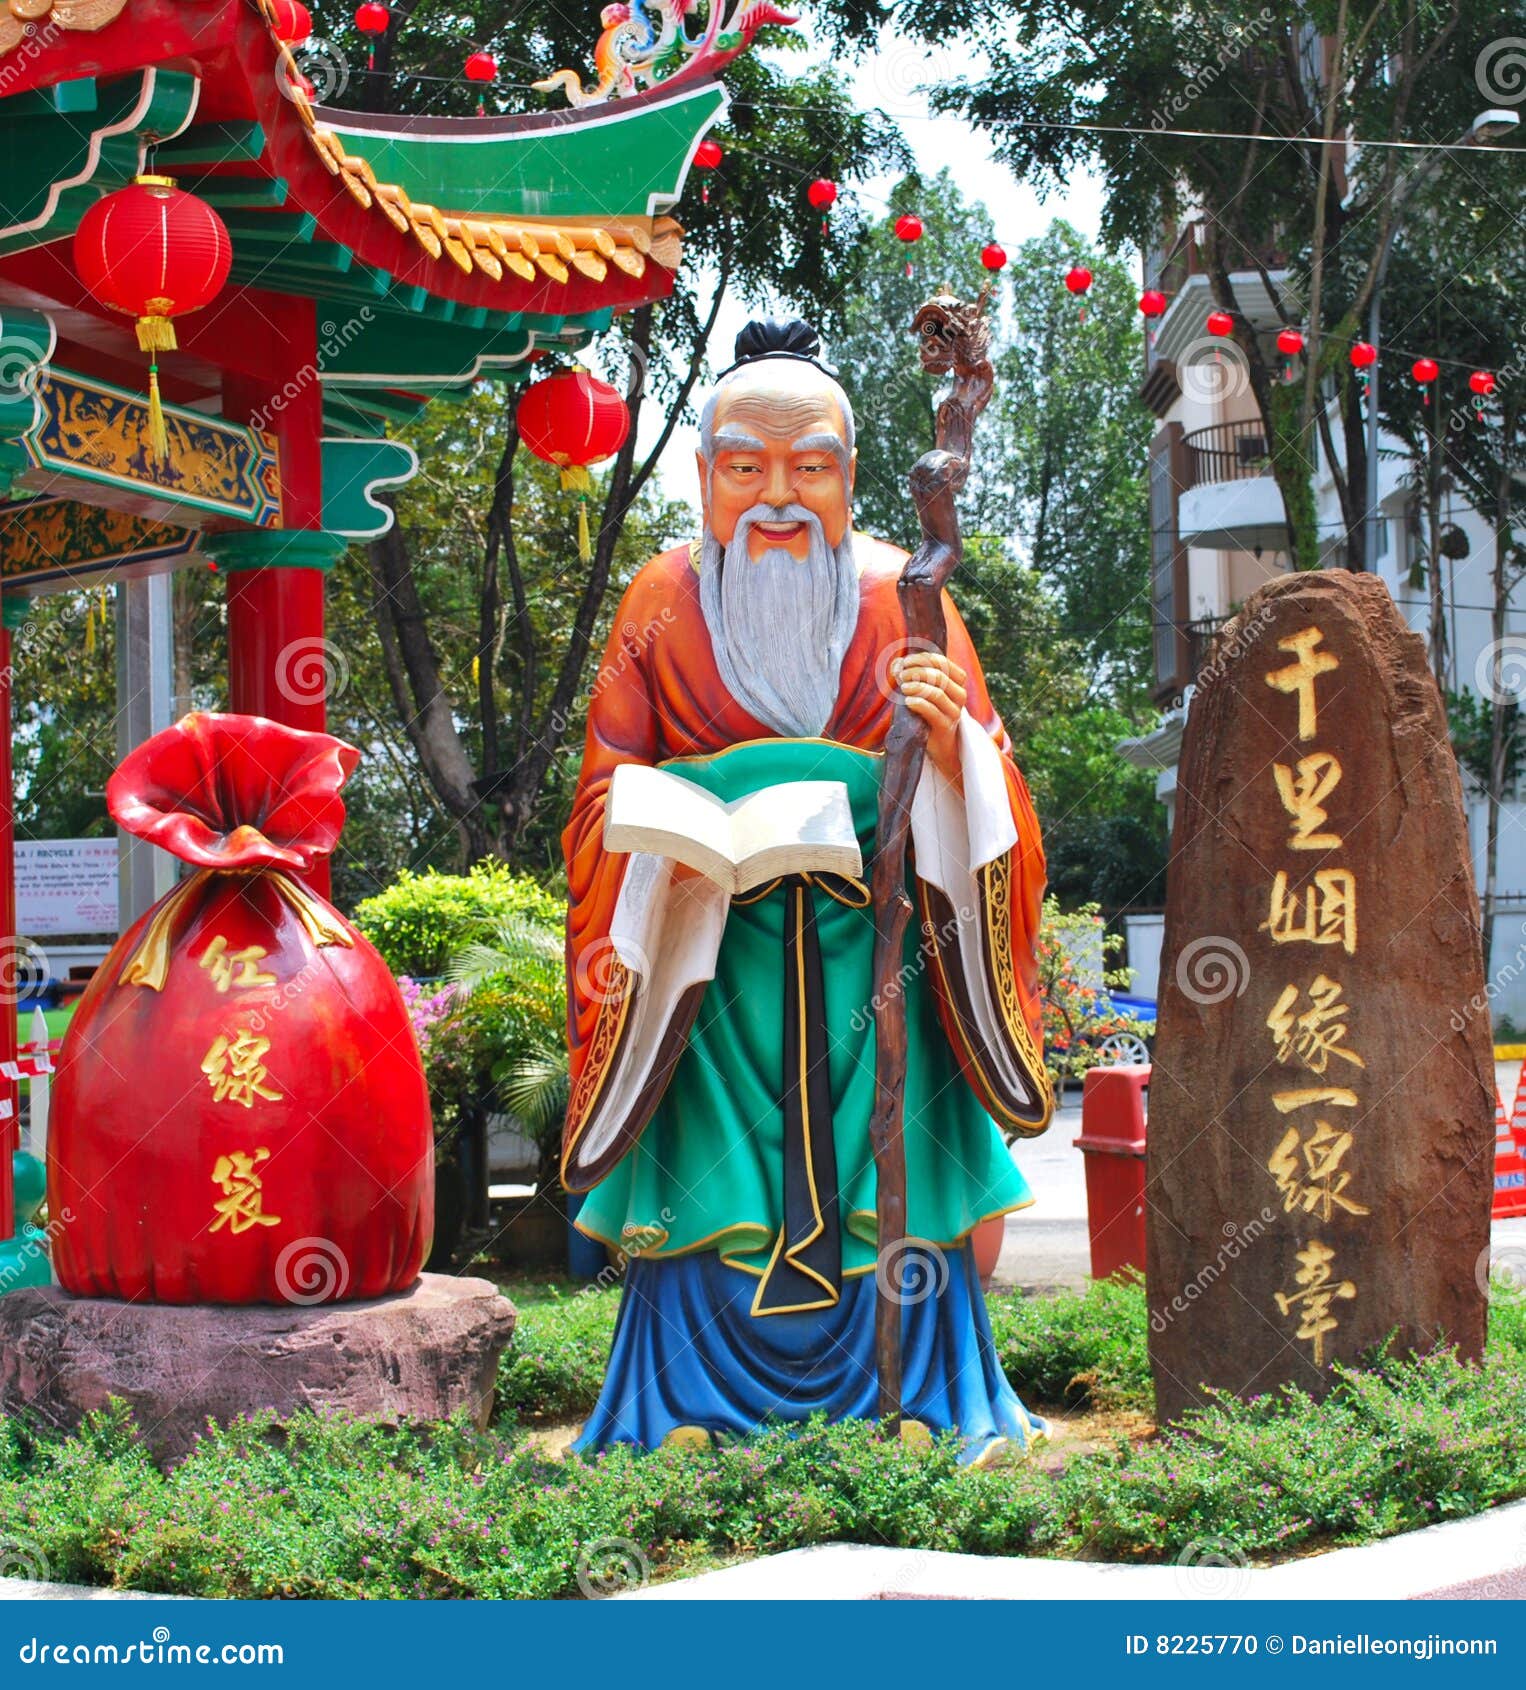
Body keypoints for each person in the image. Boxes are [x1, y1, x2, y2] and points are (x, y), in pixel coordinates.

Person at [562, 319, 1053, 1462]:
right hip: (710, 966)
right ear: (702, 476)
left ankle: (914, 1390)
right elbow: (598, 795)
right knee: (709, 1174)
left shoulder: (904, 596)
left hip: (878, 958)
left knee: (892, 1161)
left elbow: (997, 792)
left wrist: (951, 746)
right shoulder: (658, 599)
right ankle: (685, 1399)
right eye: (745, 467)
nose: (777, 499)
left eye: (809, 468)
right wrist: (676, 823)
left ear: (849, 474)